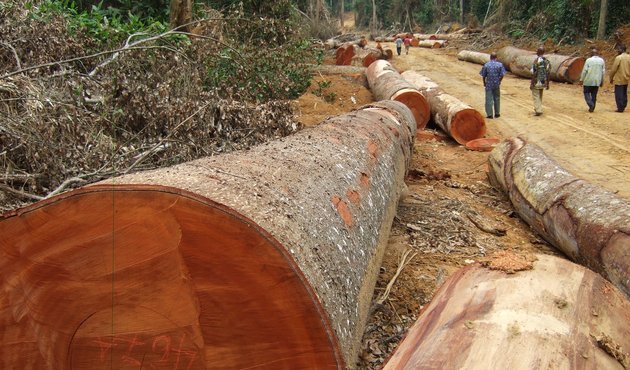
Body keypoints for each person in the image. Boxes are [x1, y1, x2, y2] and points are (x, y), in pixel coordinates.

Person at [479, 52, 507, 119]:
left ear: (490, 57)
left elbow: (483, 75)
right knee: (497, 98)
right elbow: (503, 74)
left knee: (489, 99)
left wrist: (484, 82)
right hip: (496, 84)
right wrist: (499, 81)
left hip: (489, 84)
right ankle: (497, 113)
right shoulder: (500, 65)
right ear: (496, 58)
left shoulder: (486, 65)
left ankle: (490, 114)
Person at [579, 48, 605, 112]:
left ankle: (590, 104)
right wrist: (602, 81)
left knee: (586, 92)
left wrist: (581, 79)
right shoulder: (601, 61)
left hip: (588, 80)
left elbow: (585, 71)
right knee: (594, 94)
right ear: (597, 53)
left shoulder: (589, 60)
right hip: (597, 81)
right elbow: (603, 72)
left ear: (592, 53)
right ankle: (592, 108)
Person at [530, 47, 551, 116]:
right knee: (540, 95)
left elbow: (534, 73)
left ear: (539, 52)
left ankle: (538, 110)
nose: (536, 51)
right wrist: (547, 84)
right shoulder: (547, 61)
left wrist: (531, 83)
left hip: (536, 81)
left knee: (536, 95)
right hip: (543, 81)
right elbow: (548, 73)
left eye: (537, 50)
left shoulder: (536, 61)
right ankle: (539, 108)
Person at [610, 44, 630, 113]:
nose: (617, 50)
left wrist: (611, 77)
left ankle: (620, 108)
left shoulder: (618, 58)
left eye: (618, 49)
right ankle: (624, 105)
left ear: (621, 49)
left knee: (619, 94)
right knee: (624, 93)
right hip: (626, 78)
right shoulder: (629, 57)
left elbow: (614, 69)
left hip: (619, 79)